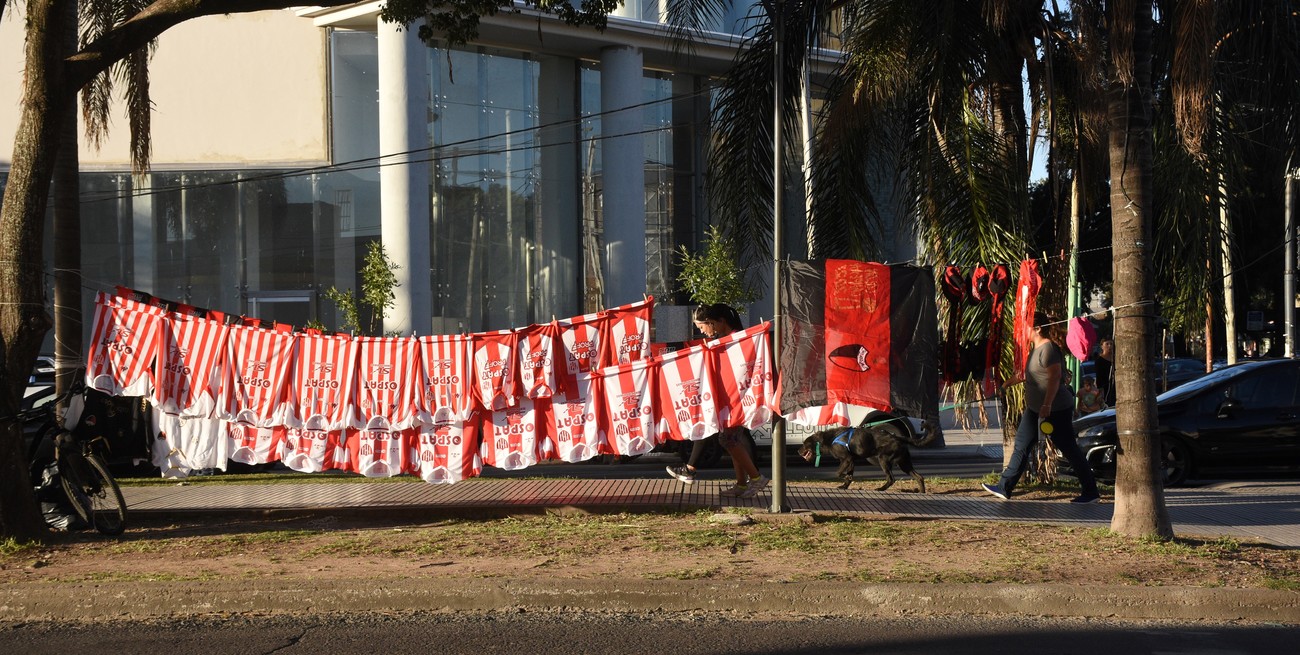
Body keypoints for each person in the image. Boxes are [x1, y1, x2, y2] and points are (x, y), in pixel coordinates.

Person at [983, 312, 1101, 503]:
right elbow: (1026, 375)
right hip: (1035, 409)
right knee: (1021, 446)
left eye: (1026, 327)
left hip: (1055, 409)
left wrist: (1047, 404)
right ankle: (1005, 487)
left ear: (1037, 329)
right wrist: (1005, 385)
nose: (1023, 331)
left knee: (1069, 448)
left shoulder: (1048, 349)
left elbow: (1055, 378)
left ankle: (1091, 492)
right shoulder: (1036, 348)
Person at [666, 303, 769, 498]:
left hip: (737, 399)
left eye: (704, 327)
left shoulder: (737, 340)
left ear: (718, 322)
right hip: (730, 398)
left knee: (728, 439)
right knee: (732, 440)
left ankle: (756, 479)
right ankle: (742, 484)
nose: (703, 332)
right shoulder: (728, 340)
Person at [1094, 339, 1115, 406]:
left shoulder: (1115, 358)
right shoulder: (1099, 361)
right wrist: (1100, 390)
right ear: (1102, 346)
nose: (1110, 346)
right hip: (1106, 388)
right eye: (1107, 344)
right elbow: (1099, 377)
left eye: (1111, 344)